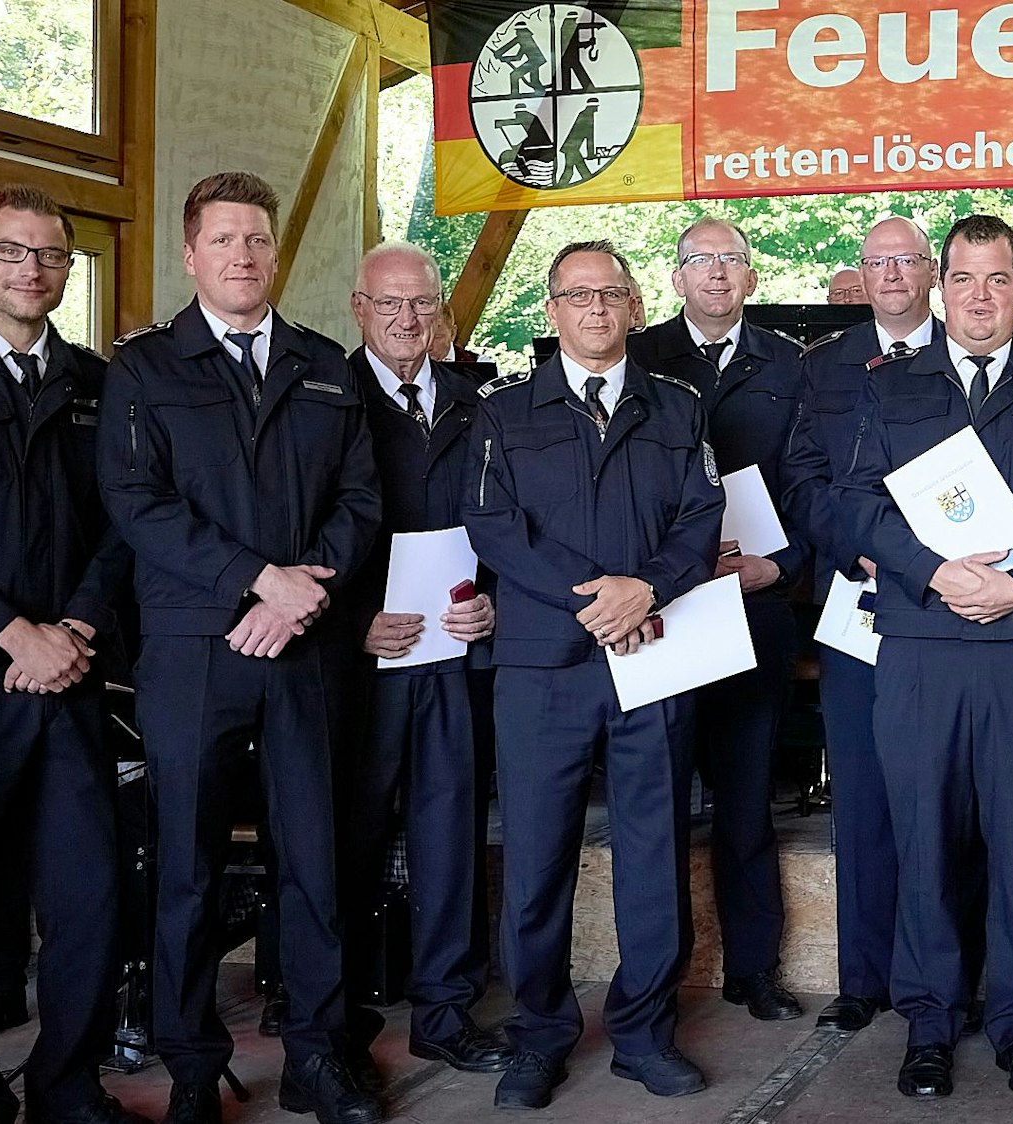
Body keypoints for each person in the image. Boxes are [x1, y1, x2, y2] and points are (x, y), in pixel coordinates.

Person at [99, 171, 382, 1124]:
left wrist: (304, 593)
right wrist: (257, 581)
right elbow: (138, 505)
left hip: (305, 645)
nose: (244, 255)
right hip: (193, 647)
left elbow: (361, 501)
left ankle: (318, 1054)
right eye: (224, 240)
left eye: (257, 240)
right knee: (187, 863)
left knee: (318, 858)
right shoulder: (145, 368)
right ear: (192, 255)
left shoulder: (325, 364)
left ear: (274, 252)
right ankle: (190, 1065)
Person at [835, 214, 1013, 1100]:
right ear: (937, 287)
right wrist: (934, 572)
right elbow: (858, 504)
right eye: (963, 279)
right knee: (924, 839)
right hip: (922, 646)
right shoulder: (890, 386)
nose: (980, 296)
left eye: (998, 279)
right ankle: (928, 1022)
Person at [465, 240, 723, 1107]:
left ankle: (645, 1033)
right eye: (579, 296)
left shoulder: (679, 408)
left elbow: (702, 516)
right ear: (552, 310)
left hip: (653, 653)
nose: (597, 310)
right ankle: (539, 1036)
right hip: (545, 668)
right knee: (537, 858)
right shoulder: (505, 412)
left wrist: (645, 586)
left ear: (636, 305)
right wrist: (595, 598)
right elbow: (495, 530)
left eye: (611, 294)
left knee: (654, 853)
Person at [0, 185, 139, 1124]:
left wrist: (78, 629)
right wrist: (12, 634)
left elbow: (129, 523)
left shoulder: (99, 385)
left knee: (90, 896)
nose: (32, 270)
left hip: (76, 679)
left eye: (51, 256)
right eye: (13, 252)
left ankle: (68, 1086)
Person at [335, 242, 510, 1085]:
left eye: (423, 305)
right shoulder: (324, 397)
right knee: (346, 840)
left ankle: (445, 1012)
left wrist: (497, 601)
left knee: (450, 836)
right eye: (390, 304)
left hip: (455, 655)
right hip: (361, 659)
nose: (409, 320)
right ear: (360, 309)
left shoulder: (479, 402)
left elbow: (510, 519)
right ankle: (335, 1018)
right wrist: (350, 622)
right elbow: (297, 523)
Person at [632, 217, 807, 1023]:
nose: (716, 274)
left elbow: (815, 485)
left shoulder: (790, 366)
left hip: (754, 603)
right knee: (656, 802)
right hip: (662, 610)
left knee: (745, 800)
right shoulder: (636, 359)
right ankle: (655, 983)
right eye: (699, 260)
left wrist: (784, 564)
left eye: (731, 259)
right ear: (674, 279)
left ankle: (754, 969)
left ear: (751, 275)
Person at [780, 215, 940, 1033]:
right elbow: (802, 480)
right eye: (876, 261)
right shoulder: (825, 368)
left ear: (931, 271)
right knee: (865, 795)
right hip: (859, 602)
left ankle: (951, 977)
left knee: (948, 800)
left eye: (907, 259)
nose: (891, 274)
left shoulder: (972, 355)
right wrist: (859, 550)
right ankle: (864, 978)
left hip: (952, 613)